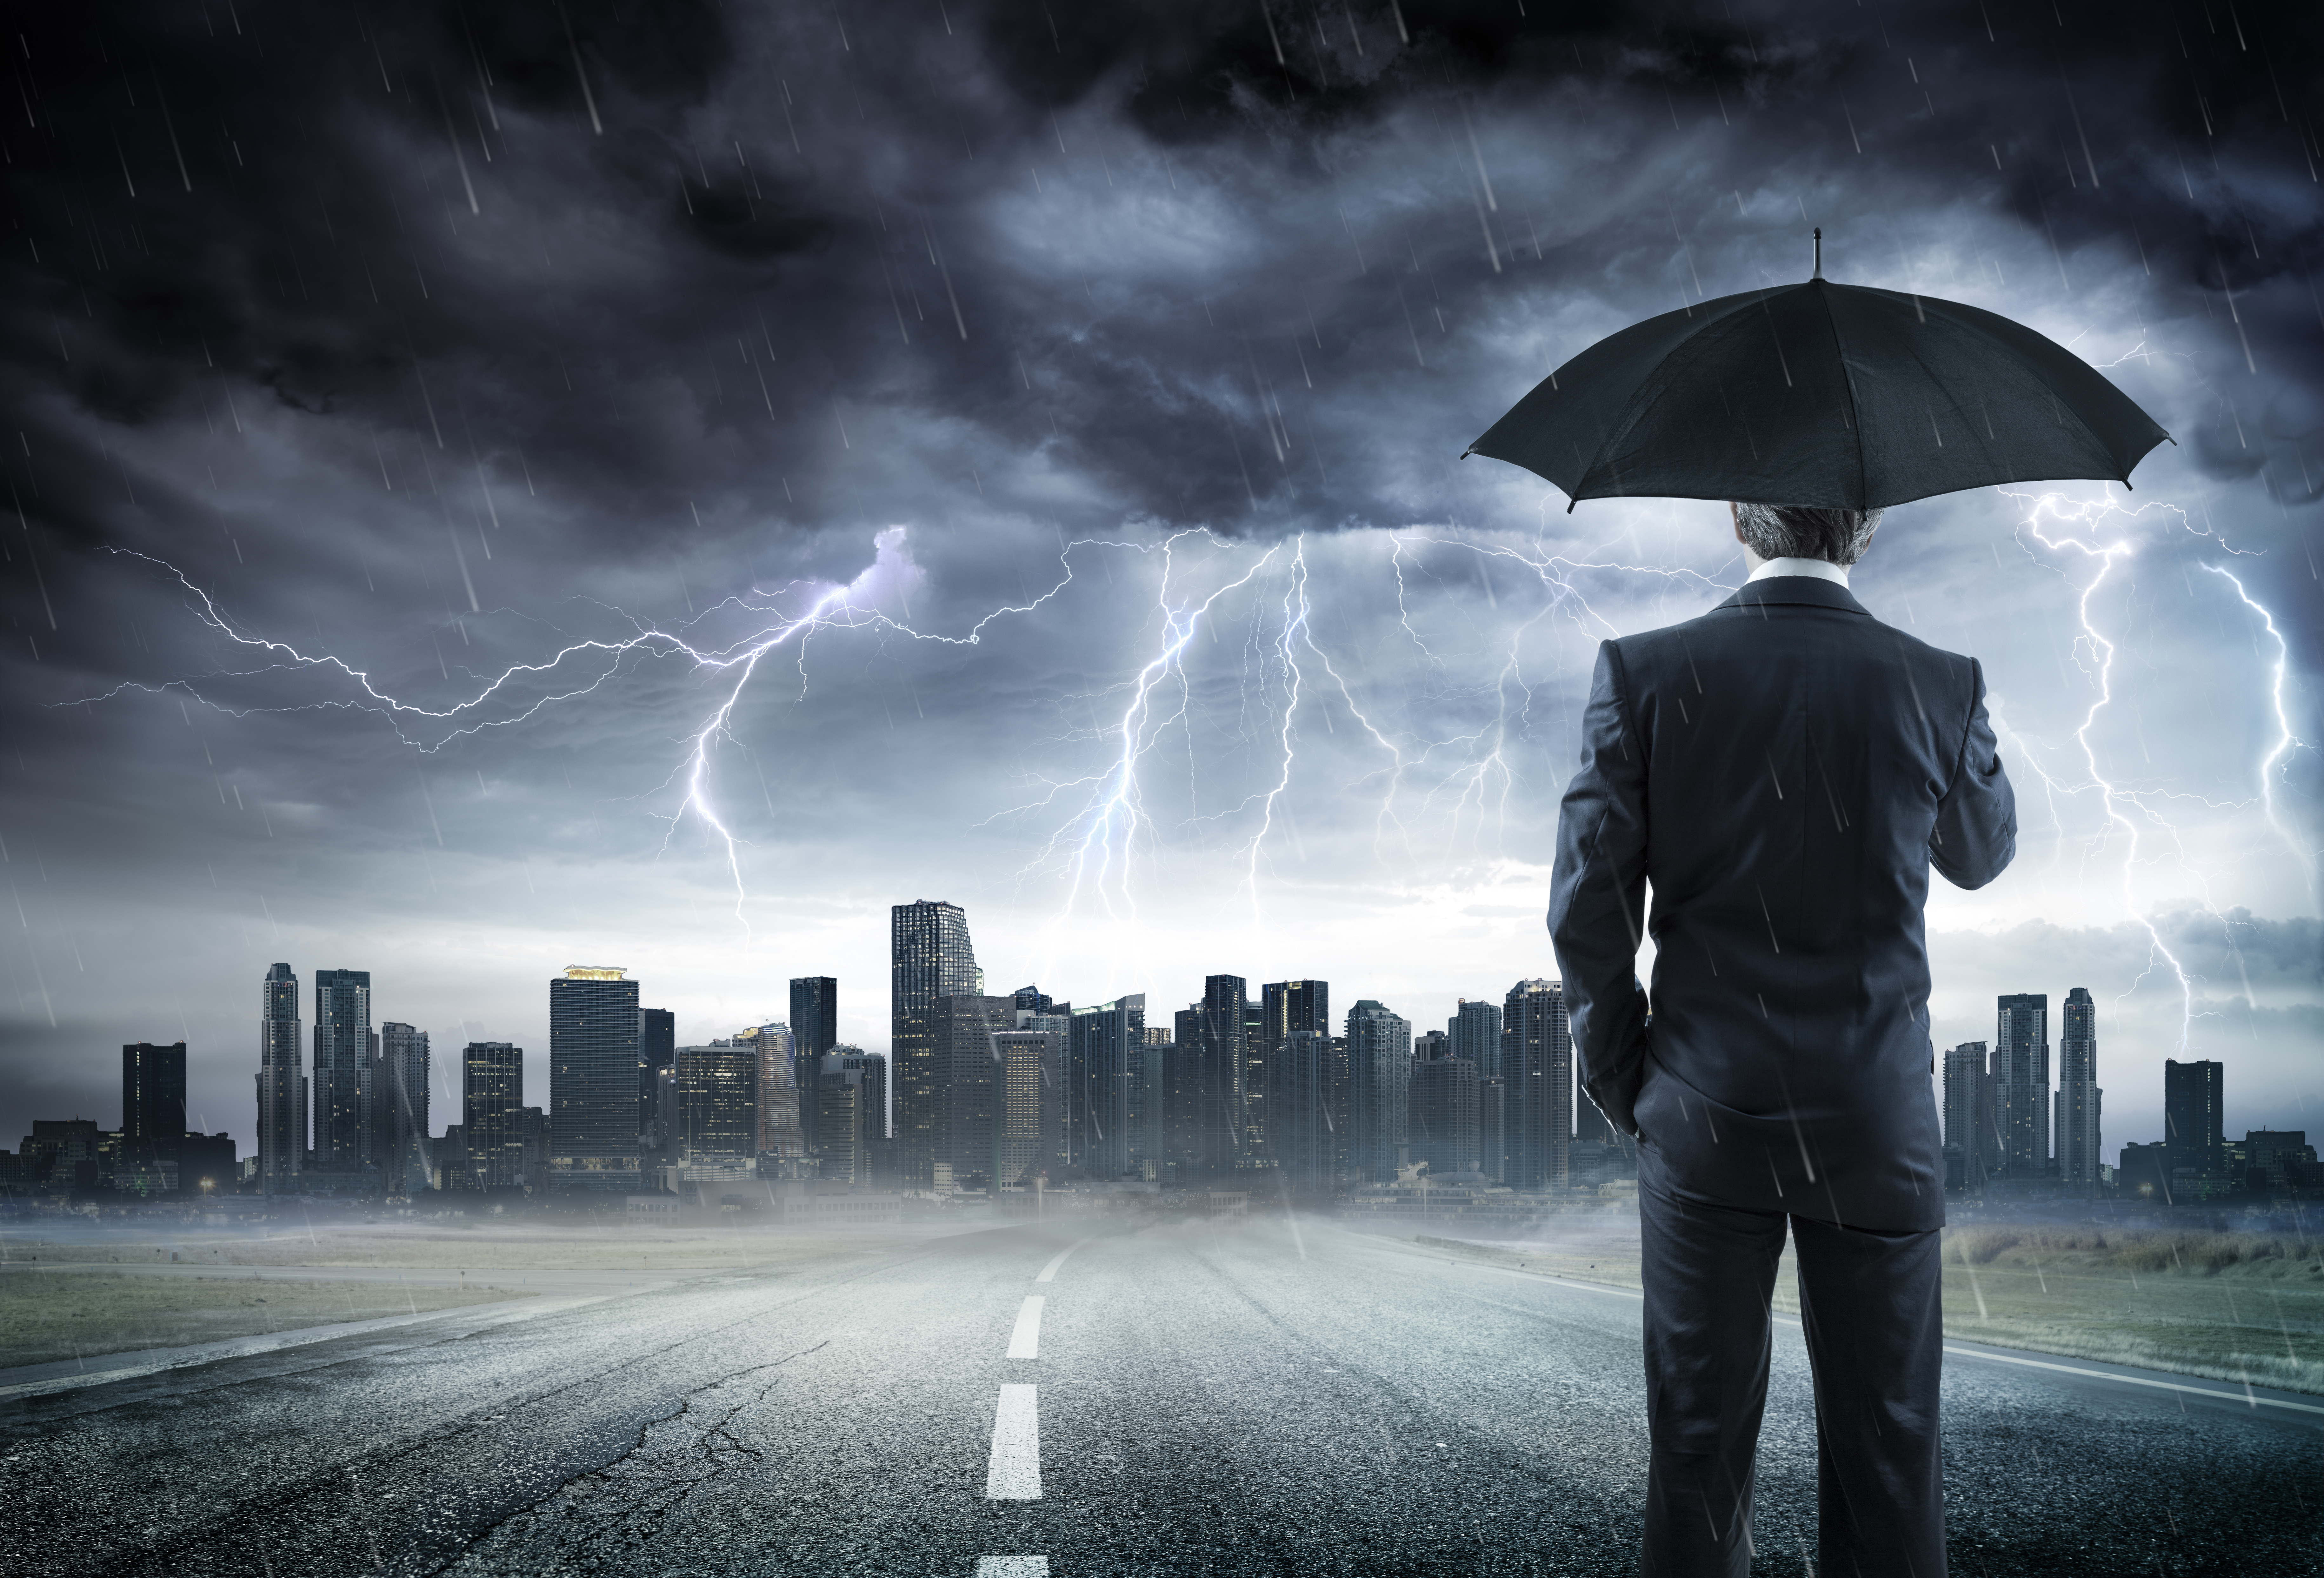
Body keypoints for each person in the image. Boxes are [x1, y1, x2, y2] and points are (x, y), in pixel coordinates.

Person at [1548, 501, 2016, 1577]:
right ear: (1872, 520)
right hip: (1875, 1119)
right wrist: (1956, 721)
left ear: (1735, 518)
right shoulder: (1937, 680)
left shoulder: (1646, 673)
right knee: (1891, 1452)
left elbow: (1586, 911)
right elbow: (1982, 853)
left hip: (1705, 1115)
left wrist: (1638, 1087)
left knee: (1698, 1448)